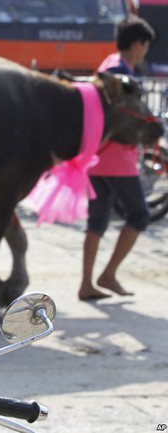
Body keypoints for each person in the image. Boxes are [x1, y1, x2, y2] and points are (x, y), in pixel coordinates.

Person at [78, 16, 156, 301]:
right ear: (138, 44)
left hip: (96, 158)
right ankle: (108, 273)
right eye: (146, 46)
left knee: (96, 220)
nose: (145, 52)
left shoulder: (107, 67)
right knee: (139, 214)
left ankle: (88, 283)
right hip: (116, 160)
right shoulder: (120, 75)